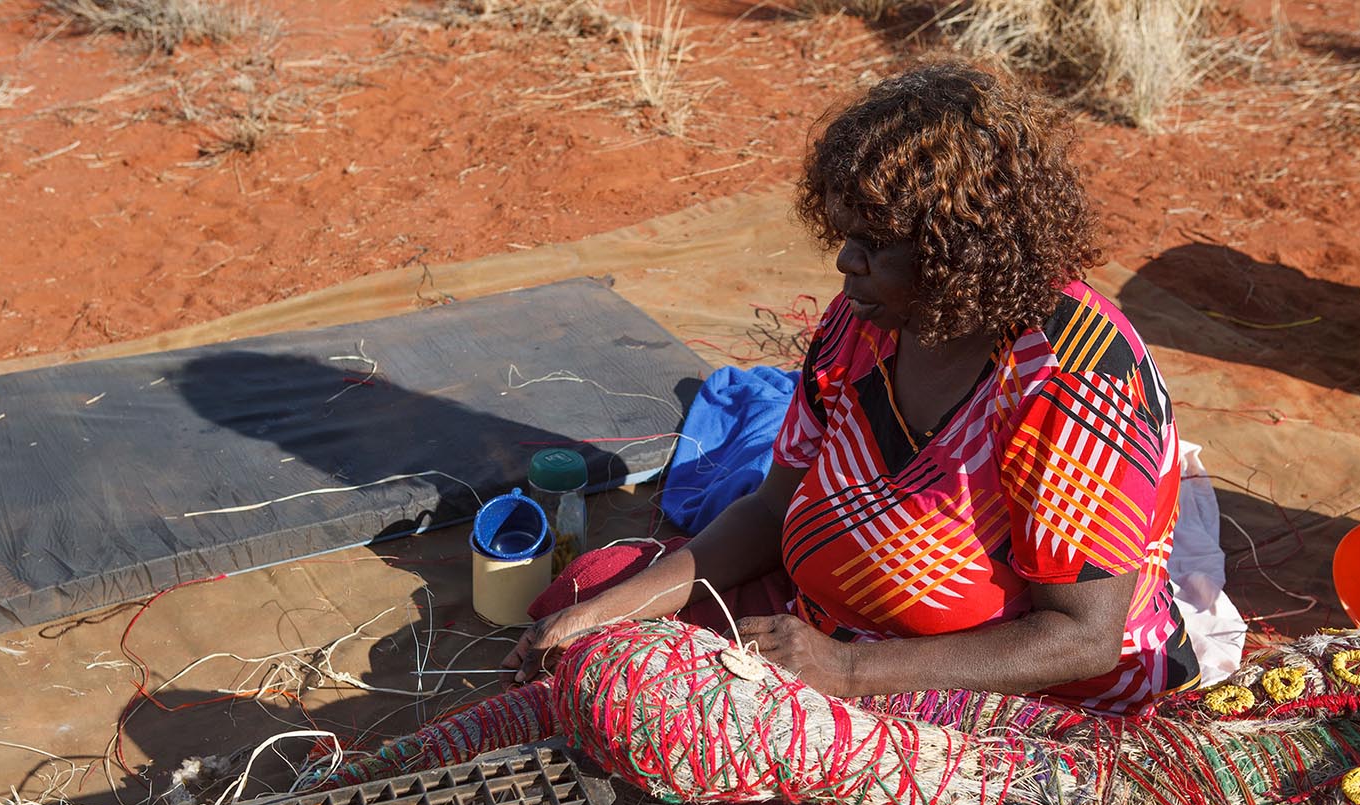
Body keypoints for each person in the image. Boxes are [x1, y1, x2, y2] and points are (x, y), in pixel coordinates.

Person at [505, 59, 1200, 717]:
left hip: (1004, 692)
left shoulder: (1073, 382)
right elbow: (771, 511)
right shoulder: (865, 324)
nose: (845, 259)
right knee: (585, 596)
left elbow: (1080, 639)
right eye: (845, 234)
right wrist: (601, 613)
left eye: (874, 241)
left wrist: (848, 675)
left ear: (958, 247)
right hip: (819, 634)